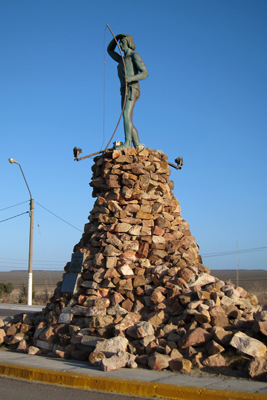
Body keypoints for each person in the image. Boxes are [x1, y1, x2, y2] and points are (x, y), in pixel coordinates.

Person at [107, 34, 148, 150]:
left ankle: (128, 143)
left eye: (122, 42)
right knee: (127, 118)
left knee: (126, 115)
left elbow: (145, 73)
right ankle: (137, 144)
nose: (120, 45)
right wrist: (116, 38)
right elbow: (109, 50)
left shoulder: (134, 56)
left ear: (128, 43)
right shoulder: (121, 60)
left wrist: (131, 78)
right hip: (124, 90)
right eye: (119, 43)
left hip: (132, 89)